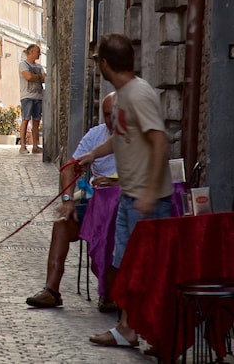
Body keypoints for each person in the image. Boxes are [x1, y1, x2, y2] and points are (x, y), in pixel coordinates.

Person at [79, 34, 172, 349]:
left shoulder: (138, 94)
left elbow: (160, 140)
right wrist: (92, 154)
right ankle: (127, 328)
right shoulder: (121, 97)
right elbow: (121, 137)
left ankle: (158, 332)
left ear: (105, 64)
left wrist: (148, 192)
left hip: (148, 201)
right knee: (126, 266)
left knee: (150, 269)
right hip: (129, 198)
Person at [26, 92, 119, 311]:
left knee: (114, 227)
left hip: (124, 208)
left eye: (115, 114)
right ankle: (51, 290)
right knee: (62, 223)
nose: (111, 120)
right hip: (96, 205)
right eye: (107, 114)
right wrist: (68, 200)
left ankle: (110, 291)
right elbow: (70, 168)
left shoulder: (138, 137)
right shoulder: (96, 136)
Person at [19, 44, 46, 154]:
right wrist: (39, 77)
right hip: (27, 96)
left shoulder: (39, 67)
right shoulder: (23, 64)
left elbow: (45, 78)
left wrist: (38, 78)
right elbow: (28, 77)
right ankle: (22, 146)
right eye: (37, 52)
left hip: (38, 97)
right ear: (31, 52)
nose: (39, 54)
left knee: (36, 121)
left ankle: (35, 146)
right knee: (25, 120)